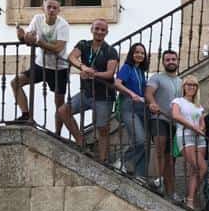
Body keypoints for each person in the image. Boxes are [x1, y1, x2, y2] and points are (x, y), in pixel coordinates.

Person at [58, 18, 118, 163]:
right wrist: (83, 67)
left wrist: (92, 74)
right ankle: (81, 141)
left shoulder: (110, 51)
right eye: (97, 28)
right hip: (86, 93)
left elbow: (110, 73)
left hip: (104, 95)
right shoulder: (84, 44)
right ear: (91, 29)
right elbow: (71, 57)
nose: (99, 32)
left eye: (103, 30)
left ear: (106, 33)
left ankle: (103, 160)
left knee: (102, 128)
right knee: (63, 111)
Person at [11, 0, 70, 128]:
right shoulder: (37, 19)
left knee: (59, 105)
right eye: (49, 7)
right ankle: (26, 115)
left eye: (55, 8)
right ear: (43, 8)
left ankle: (57, 134)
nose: (51, 10)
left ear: (59, 10)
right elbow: (29, 39)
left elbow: (57, 48)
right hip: (41, 64)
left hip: (59, 68)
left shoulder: (63, 25)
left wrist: (37, 41)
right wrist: (22, 36)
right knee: (15, 82)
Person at [145, 50, 183, 196]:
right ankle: (158, 179)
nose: (171, 61)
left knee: (171, 158)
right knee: (160, 147)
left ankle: (170, 191)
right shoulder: (157, 78)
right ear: (163, 62)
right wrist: (153, 103)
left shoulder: (181, 81)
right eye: (167, 60)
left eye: (173, 59)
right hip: (159, 118)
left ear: (178, 61)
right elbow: (149, 93)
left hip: (174, 123)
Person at [114, 42, 149, 179]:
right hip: (129, 107)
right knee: (140, 140)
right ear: (131, 54)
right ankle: (120, 161)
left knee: (141, 141)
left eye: (142, 53)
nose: (140, 55)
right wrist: (131, 94)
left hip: (140, 108)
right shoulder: (127, 67)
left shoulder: (141, 71)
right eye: (137, 52)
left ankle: (132, 169)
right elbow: (117, 83)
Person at [171, 77, 207, 209]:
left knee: (195, 170)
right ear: (184, 87)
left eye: (194, 85)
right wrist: (193, 127)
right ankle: (190, 198)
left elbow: (202, 122)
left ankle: (191, 199)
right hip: (186, 136)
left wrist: (201, 129)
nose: (191, 87)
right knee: (202, 167)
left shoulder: (199, 106)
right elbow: (176, 116)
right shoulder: (178, 101)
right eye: (189, 85)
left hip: (200, 139)